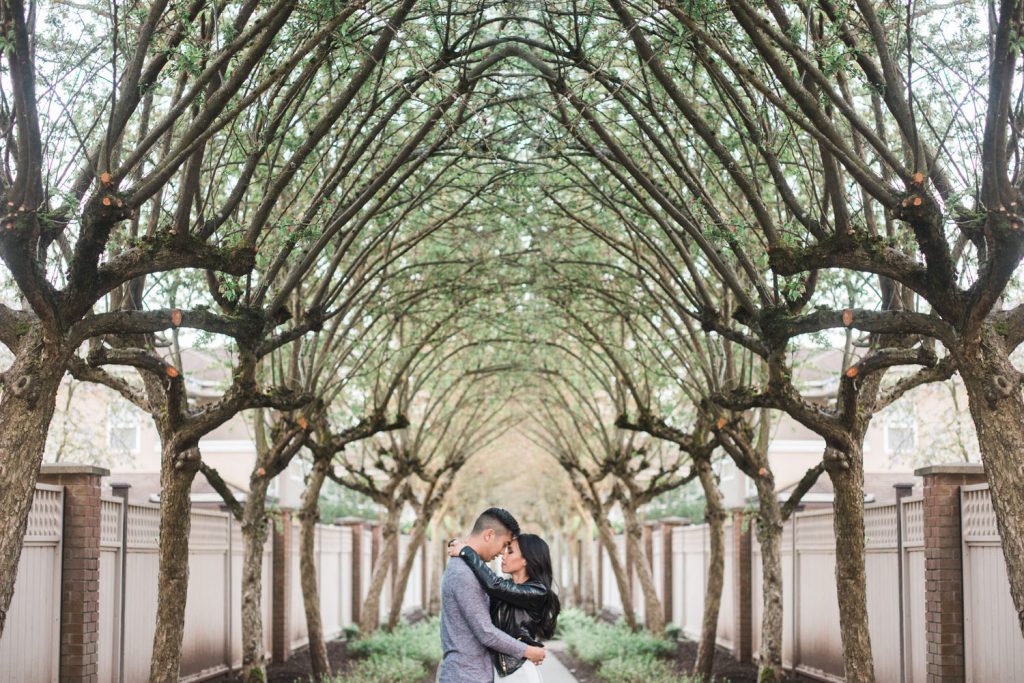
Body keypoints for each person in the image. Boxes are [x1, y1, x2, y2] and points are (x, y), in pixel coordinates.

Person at [438, 508, 546, 683]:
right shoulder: (463, 573)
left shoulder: (470, 569)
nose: (503, 553)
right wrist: (527, 650)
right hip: (465, 676)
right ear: (489, 535)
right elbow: (486, 632)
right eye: (504, 544)